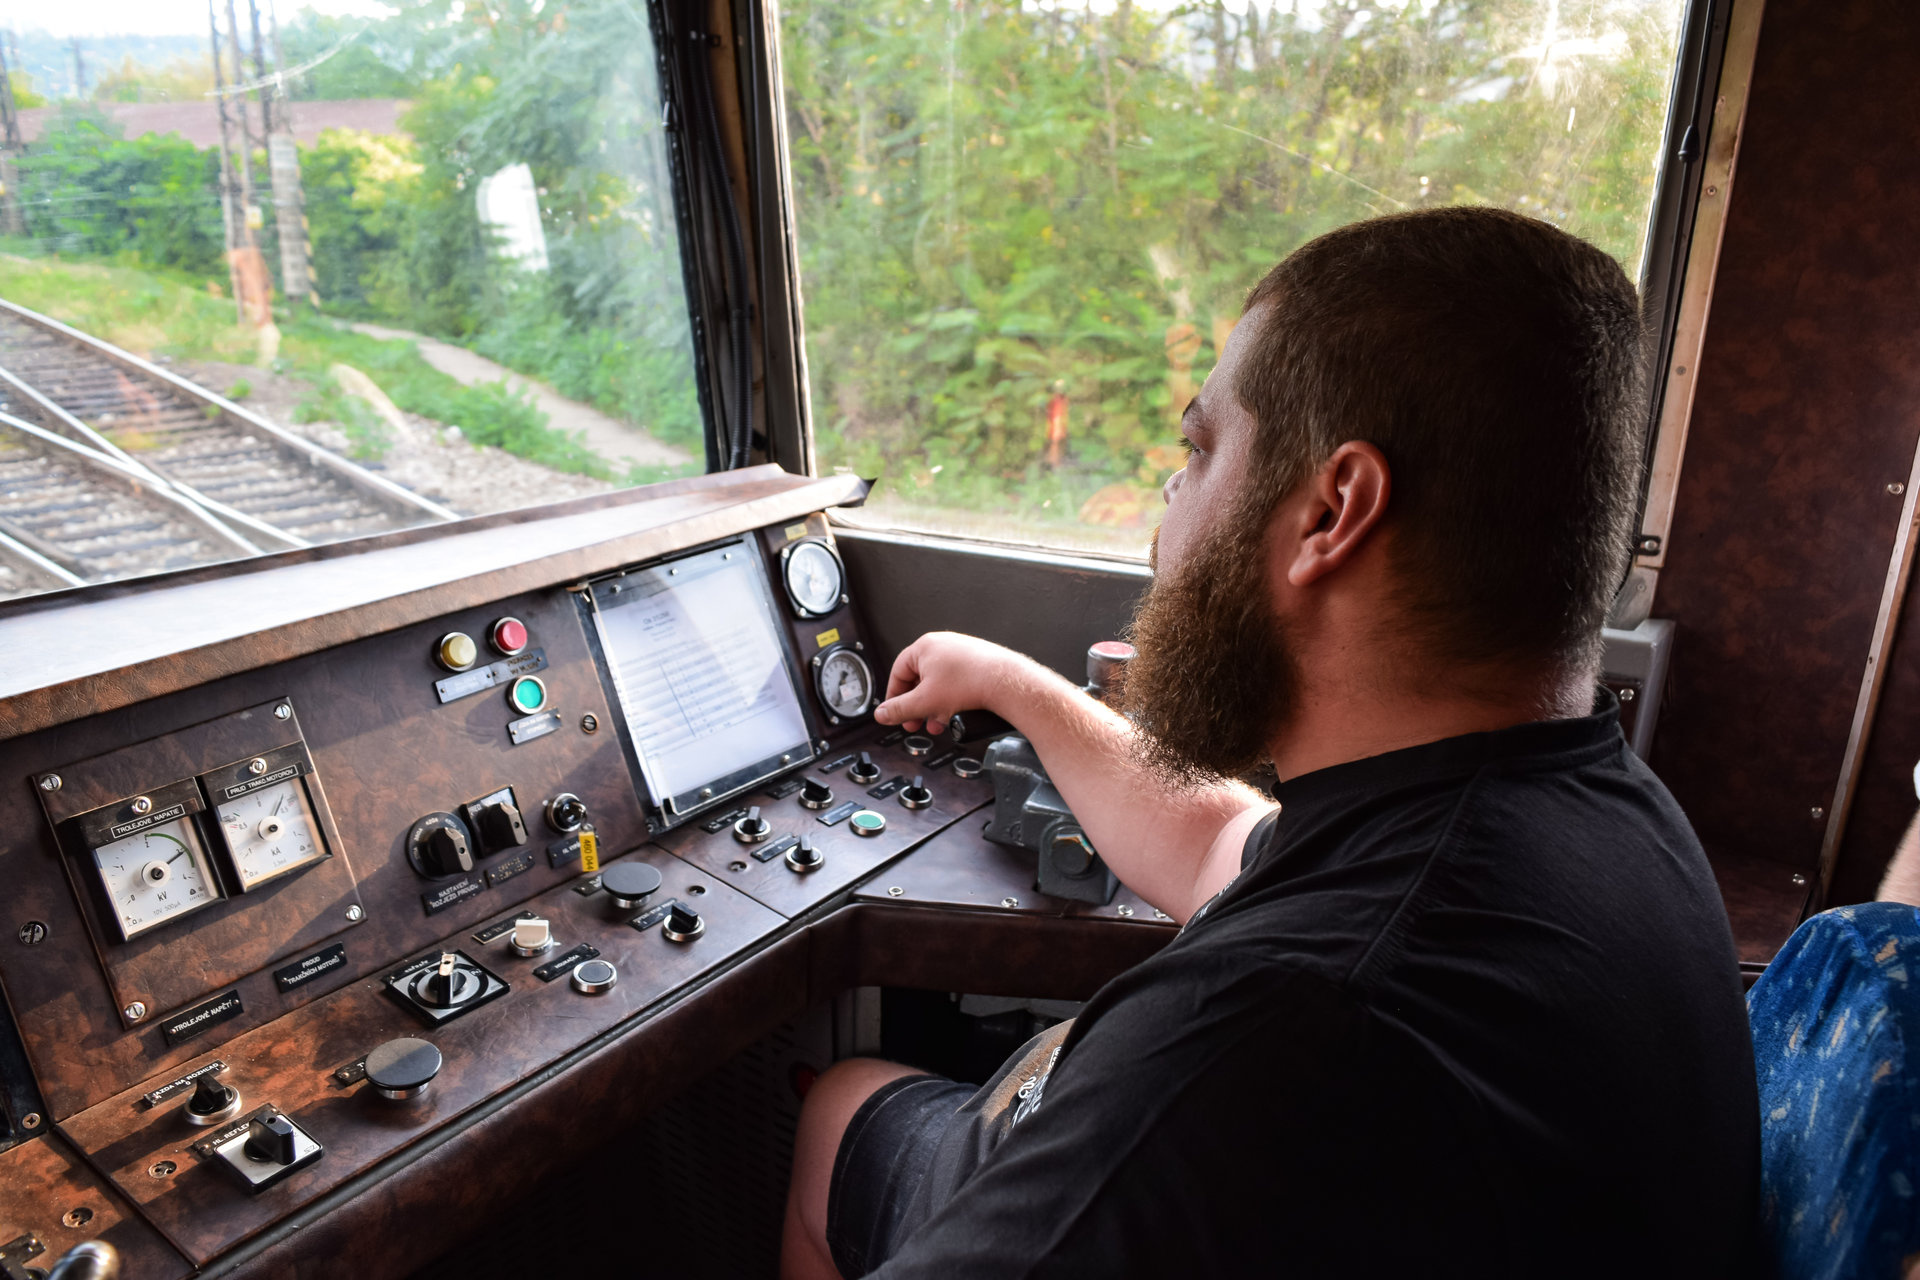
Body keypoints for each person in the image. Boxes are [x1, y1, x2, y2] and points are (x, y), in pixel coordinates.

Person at [780, 207, 1762, 1278]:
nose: (1168, 510)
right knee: (846, 1106)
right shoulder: (1587, 811)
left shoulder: (1281, 1032)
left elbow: (1276, 1026)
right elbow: (1224, 845)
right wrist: (1011, 684)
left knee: (832, 1113)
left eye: (1198, 451)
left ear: (1333, 512)